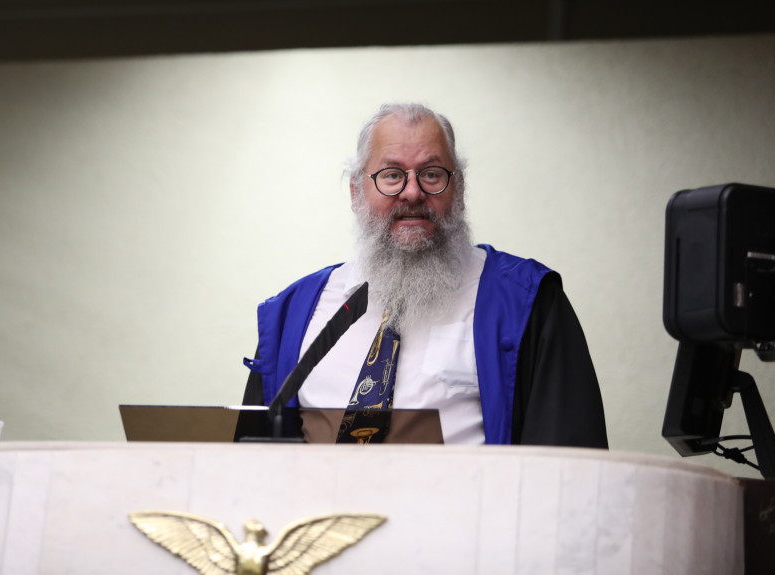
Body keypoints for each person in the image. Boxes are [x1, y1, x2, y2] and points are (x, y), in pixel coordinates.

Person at [242, 103, 607, 448]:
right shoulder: (292, 314)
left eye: (432, 174)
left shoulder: (526, 301)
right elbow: (251, 460)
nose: (413, 192)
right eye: (391, 175)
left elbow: (570, 466)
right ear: (356, 192)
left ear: (459, 189)